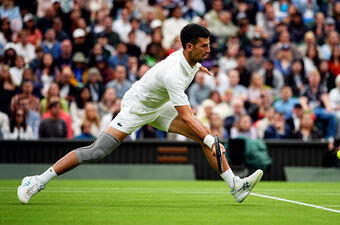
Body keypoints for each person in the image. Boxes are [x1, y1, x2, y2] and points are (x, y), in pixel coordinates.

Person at [17, 23, 263, 204]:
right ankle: (37, 181)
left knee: (205, 135)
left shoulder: (192, 60)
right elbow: (187, 117)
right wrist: (213, 142)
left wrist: (201, 68)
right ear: (189, 47)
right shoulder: (173, 74)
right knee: (97, 151)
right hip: (137, 107)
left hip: (159, 106)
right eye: (204, 47)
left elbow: (195, 68)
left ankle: (236, 186)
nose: (208, 50)